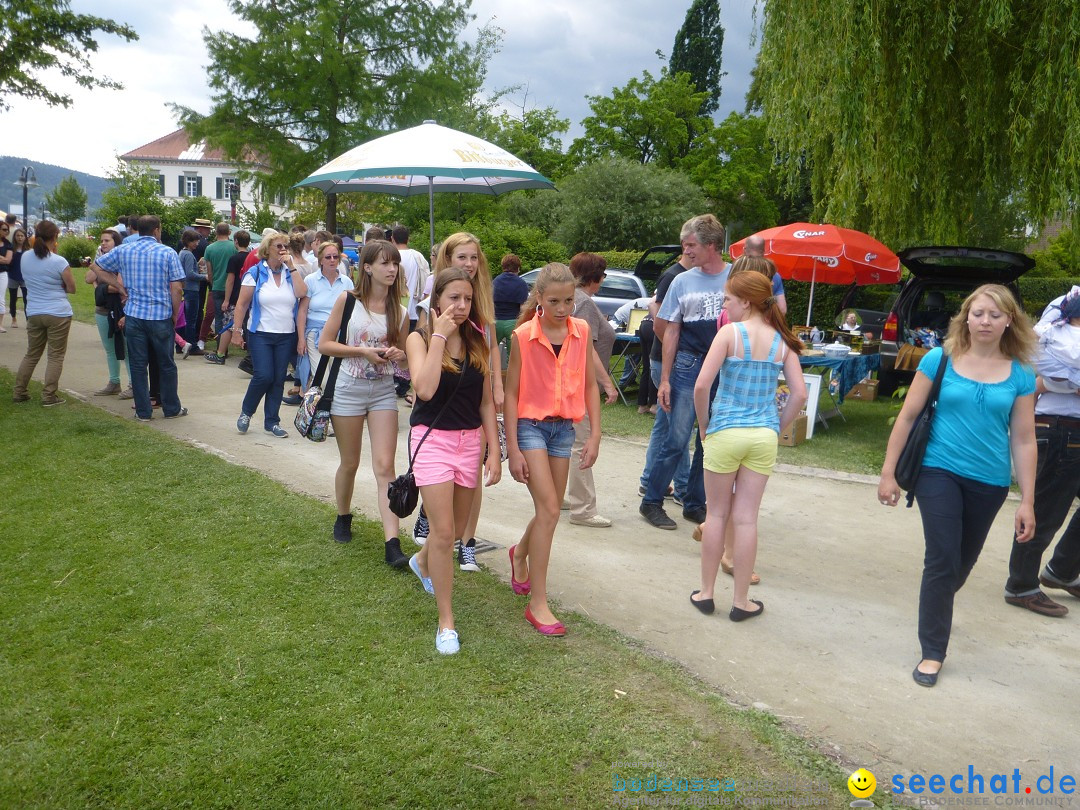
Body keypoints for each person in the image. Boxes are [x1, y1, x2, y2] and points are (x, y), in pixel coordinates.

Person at [878, 284, 1037, 687]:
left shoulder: (1020, 374)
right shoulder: (939, 359)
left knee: (960, 565)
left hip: (990, 482)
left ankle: (937, 605)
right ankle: (933, 651)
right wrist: (888, 471)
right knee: (943, 557)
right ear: (966, 316)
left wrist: (1028, 502)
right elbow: (908, 416)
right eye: (979, 313)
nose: (986, 321)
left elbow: (1023, 439)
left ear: (1008, 322)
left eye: (995, 315)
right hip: (938, 470)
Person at [691, 272, 807, 621]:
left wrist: (705, 426)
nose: (724, 305)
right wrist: (776, 427)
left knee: (716, 514)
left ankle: (707, 593)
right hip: (762, 437)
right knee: (746, 520)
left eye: (728, 299)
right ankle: (741, 601)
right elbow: (799, 394)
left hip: (726, 431)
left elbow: (701, 387)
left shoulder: (730, 334)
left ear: (746, 301)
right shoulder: (782, 341)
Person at [405, 267, 501, 654]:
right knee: (443, 533)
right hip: (432, 442)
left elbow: (484, 401)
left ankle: (422, 561)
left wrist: (494, 450)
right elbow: (425, 390)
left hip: (470, 442)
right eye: (453, 299)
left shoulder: (479, 339)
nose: (461, 306)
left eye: (466, 299)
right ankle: (446, 621)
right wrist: (440, 336)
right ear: (436, 301)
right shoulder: (420, 338)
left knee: (458, 529)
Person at [505, 262, 602, 636]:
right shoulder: (523, 336)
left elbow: (590, 386)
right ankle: (538, 603)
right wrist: (512, 448)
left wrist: (594, 436)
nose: (562, 309)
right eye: (554, 301)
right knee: (549, 508)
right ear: (539, 299)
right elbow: (511, 393)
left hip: (564, 431)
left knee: (549, 511)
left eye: (568, 301)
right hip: (530, 428)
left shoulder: (582, 330)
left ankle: (519, 552)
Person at [412, 233, 503, 569]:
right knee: (443, 477)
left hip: (473, 396)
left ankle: (466, 540)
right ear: (447, 261)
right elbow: (424, 350)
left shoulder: (480, 300)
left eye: (474, 258)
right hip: (441, 401)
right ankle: (435, 521)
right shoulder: (437, 303)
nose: (469, 264)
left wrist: (497, 386)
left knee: (472, 476)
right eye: (461, 257)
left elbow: (490, 344)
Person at [318, 240, 408, 566]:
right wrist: (362, 351)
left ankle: (392, 543)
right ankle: (343, 516)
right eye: (385, 263)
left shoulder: (401, 308)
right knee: (351, 462)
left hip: (383, 391)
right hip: (348, 389)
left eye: (395, 263)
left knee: (386, 467)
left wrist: (401, 355)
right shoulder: (348, 301)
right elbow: (325, 344)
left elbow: (407, 364)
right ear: (367, 267)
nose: (392, 269)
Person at [640, 215, 730, 530]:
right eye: (684, 244)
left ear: (712, 245)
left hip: (724, 368)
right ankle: (651, 502)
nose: (686, 251)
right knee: (676, 438)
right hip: (689, 365)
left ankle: (694, 503)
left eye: (691, 245)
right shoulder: (681, 280)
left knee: (711, 439)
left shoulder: (736, 278)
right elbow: (671, 332)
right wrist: (664, 379)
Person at [1003, 288, 1080, 616]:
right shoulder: (1058, 333)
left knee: (1048, 508)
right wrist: (1061, 382)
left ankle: (1061, 569)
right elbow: (1034, 365)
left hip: (1066, 426)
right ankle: (1021, 584)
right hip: (1061, 428)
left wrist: (1057, 381)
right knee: (1046, 510)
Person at [91, 215, 187, 421]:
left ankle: (143, 411)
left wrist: (119, 287)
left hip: (134, 315)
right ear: (157, 230)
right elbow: (177, 288)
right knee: (166, 364)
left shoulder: (124, 250)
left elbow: (96, 267)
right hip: (160, 315)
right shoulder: (167, 252)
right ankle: (171, 408)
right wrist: (174, 314)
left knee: (137, 364)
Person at [230, 230, 307, 437]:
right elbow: (241, 305)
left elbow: (302, 293)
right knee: (264, 375)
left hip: (286, 334)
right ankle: (247, 412)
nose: (283, 250)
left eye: (286, 246)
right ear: (267, 250)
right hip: (261, 333)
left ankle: (272, 421)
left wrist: (291, 266)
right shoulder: (255, 272)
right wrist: (236, 331)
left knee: (278, 379)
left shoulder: (290, 273)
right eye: (279, 246)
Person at [566, 252, 618, 528]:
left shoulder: (578, 299)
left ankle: (569, 498)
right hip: (580, 383)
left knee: (569, 442)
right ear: (595, 277)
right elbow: (587, 350)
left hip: (575, 382)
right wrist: (607, 383)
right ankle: (583, 508)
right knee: (581, 443)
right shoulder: (583, 302)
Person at [12, 221, 76, 406]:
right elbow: (71, 288)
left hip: (34, 310)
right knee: (55, 355)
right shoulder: (58, 261)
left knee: (32, 353)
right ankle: (49, 395)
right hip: (58, 312)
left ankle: (19, 391)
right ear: (55, 236)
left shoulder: (25, 257)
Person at [297, 241, 354, 393]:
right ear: (321, 260)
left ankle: (332, 411)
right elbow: (302, 311)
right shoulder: (311, 280)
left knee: (338, 376)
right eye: (328, 257)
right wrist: (301, 339)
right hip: (315, 333)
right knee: (323, 378)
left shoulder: (347, 282)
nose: (332, 260)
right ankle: (320, 411)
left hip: (339, 334)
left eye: (335, 257)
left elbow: (353, 311)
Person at [84, 229, 131, 396]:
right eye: (102, 241)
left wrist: (103, 288)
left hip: (121, 310)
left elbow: (119, 288)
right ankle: (114, 382)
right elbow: (88, 278)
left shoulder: (122, 262)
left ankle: (133, 385)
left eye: (107, 241)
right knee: (109, 348)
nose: (103, 243)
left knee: (125, 348)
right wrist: (99, 262)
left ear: (116, 244)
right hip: (102, 310)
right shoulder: (101, 261)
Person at [205, 229, 251, 365]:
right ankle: (250, 353)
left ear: (236, 241)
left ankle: (220, 354)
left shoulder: (234, 259)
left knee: (227, 325)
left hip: (235, 296)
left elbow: (230, 280)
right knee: (247, 325)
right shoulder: (251, 258)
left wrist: (226, 299)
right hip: (248, 295)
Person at [742, 234, 788, 315]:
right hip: (765, 323)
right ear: (764, 251)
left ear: (745, 249)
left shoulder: (738, 272)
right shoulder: (774, 275)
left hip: (741, 324)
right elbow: (782, 309)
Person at [179, 229, 208, 348]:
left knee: (184, 318)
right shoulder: (189, 255)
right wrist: (205, 277)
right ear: (188, 241)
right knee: (191, 319)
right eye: (195, 241)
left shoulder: (182, 253)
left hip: (185, 289)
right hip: (191, 289)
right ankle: (192, 345)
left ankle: (181, 344)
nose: (197, 244)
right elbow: (190, 274)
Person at [493, 253, 529, 347]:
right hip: (512, 322)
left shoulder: (495, 281)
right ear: (517, 268)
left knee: (490, 352)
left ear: (503, 266)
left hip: (496, 322)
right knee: (512, 356)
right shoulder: (521, 283)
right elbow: (522, 307)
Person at [0, 220, 11, 332]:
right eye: (3, 229)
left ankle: (0, 323)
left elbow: (8, 260)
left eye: (7, 230)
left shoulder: (8, 244)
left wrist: (3, 259)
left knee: (1, 298)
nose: (6, 232)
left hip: (2, 273)